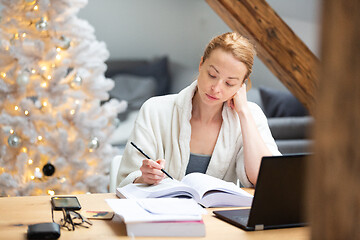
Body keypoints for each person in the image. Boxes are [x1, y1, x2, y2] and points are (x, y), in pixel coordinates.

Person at [116, 32, 280, 188]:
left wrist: (244, 113)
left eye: (229, 83)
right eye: (212, 75)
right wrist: (143, 177)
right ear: (201, 64)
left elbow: (264, 179)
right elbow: (126, 179)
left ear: (241, 85)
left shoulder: (251, 115)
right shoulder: (155, 110)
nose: (216, 88)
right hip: (162, 214)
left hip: (214, 217)